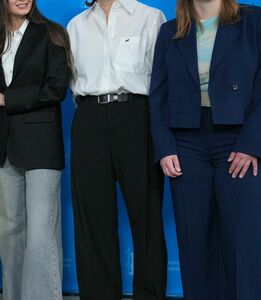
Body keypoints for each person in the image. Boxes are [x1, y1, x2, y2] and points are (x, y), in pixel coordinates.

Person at [149, 0, 261, 298]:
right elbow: (159, 93)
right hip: (186, 144)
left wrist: (251, 144)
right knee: (194, 244)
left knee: (244, 245)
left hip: (239, 140)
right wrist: (165, 147)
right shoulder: (170, 32)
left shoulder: (255, 20)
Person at [66, 0, 168, 298]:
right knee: (93, 217)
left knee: (146, 213)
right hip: (89, 117)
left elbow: (160, 78)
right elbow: (73, 79)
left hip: (136, 115)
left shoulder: (150, 17)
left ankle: (149, 294)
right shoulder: (77, 24)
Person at [0, 0, 70, 298]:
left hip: (42, 146)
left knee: (41, 234)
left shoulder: (52, 34)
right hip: (5, 146)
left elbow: (57, 88)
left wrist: (7, 99)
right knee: (8, 233)